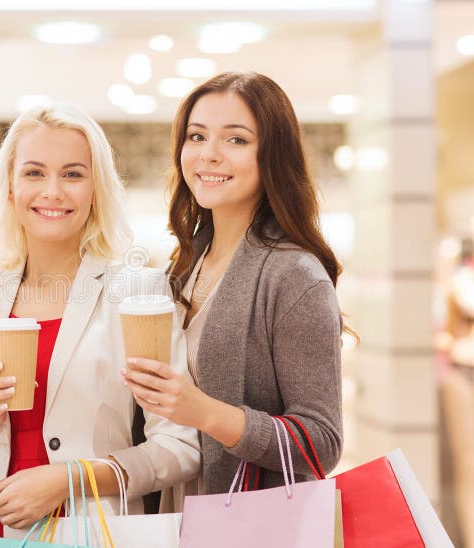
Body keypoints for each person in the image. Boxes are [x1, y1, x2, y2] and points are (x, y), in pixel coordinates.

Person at [0, 103, 200, 547]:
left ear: (96, 190)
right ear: (11, 189)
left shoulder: (136, 293)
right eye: (34, 173)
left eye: (73, 174)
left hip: (96, 533)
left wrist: (69, 479)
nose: (52, 191)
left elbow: (180, 447)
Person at [123, 72, 346, 494]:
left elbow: (322, 444)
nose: (209, 155)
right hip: (171, 517)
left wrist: (205, 412)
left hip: (247, 524)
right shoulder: (185, 263)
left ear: (273, 156)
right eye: (196, 136)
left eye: (236, 140)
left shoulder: (294, 276)